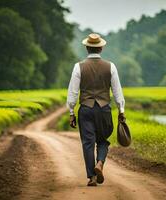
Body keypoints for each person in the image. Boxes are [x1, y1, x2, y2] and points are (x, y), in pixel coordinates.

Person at [67, 33, 125, 186]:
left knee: (88, 143)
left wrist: (71, 112)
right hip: (104, 109)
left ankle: (92, 177)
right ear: (101, 48)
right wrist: (121, 110)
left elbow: (73, 92)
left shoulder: (78, 67)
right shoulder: (110, 66)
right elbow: (117, 90)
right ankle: (100, 162)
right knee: (103, 141)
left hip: (85, 109)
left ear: (87, 48)